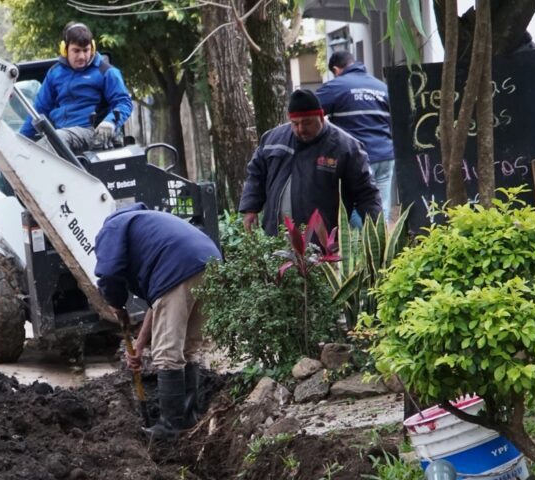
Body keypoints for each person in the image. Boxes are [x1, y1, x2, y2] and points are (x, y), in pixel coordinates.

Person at [94, 203, 222, 440]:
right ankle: (189, 417)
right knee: (188, 347)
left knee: (167, 352)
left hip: (179, 268)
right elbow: (159, 303)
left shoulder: (111, 228)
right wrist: (140, 345)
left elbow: (109, 274)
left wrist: (116, 303)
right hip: (211, 263)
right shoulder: (148, 224)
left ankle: (170, 426)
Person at [239, 88, 382, 235]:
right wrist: (250, 208)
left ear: (320, 116)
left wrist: (378, 232)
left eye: (307, 123)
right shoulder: (272, 139)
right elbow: (256, 174)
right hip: (276, 237)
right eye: (295, 123)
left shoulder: (346, 147)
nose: (300, 129)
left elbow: (367, 194)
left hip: (322, 243)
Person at [19, 22, 133, 153]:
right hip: (62, 135)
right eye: (76, 50)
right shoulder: (54, 73)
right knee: (29, 152)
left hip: (92, 133)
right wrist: (21, 141)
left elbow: (124, 103)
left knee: (56, 140)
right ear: (65, 49)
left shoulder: (106, 72)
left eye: (86, 50)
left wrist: (110, 122)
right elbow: (38, 110)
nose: (82, 56)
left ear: (93, 48)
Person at [315, 50, 395, 223]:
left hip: (357, 159)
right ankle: (382, 246)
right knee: (382, 207)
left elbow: (309, 110)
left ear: (336, 69)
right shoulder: (381, 87)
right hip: (385, 156)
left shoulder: (336, 86)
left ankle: (359, 246)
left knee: (355, 206)